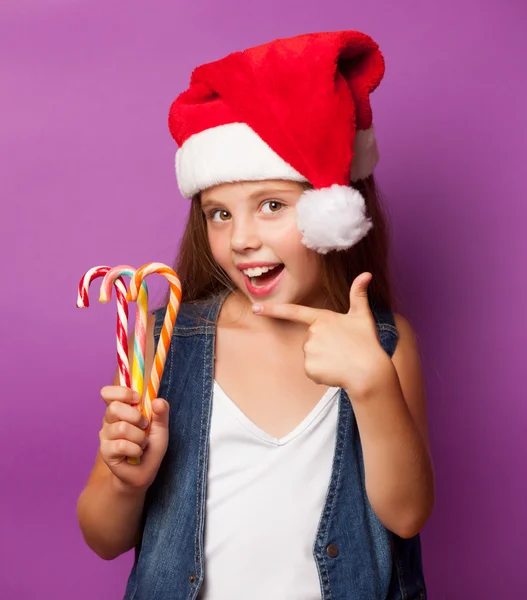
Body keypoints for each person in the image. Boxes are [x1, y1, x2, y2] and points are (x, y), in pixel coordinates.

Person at [77, 30, 434, 600]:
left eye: (272, 206)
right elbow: (102, 536)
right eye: (219, 214)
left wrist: (372, 387)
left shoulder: (386, 343)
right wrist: (126, 481)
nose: (241, 238)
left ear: (330, 212)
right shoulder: (170, 340)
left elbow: (407, 515)